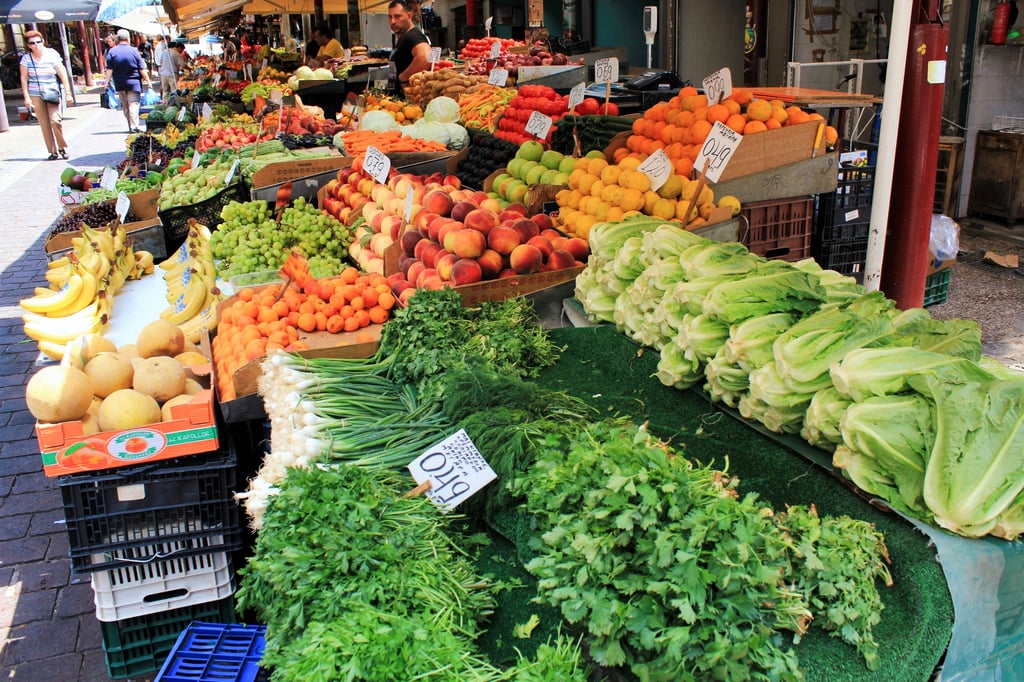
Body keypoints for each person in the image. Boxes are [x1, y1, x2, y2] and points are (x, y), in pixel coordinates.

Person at [19, 30, 74, 160]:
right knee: (44, 123)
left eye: (38, 41)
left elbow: (62, 73)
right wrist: (26, 97)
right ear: (28, 45)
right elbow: (24, 78)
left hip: (52, 92)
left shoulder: (52, 54)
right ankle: (52, 151)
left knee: (55, 120)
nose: (36, 45)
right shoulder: (26, 59)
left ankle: (62, 147)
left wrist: (68, 93)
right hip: (35, 93)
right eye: (32, 43)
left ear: (43, 41)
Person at [105, 29, 152, 133]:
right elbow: (141, 68)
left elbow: (109, 69)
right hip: (134, 83)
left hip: (120, 83)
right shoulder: (134, 51)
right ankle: (134, 126)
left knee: (125, 105)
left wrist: (106, 82)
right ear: (128, 39)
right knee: (133, 104)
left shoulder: (112, 52)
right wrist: (148, 81)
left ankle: (130, 124)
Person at [388, 0, 430, 97]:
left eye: (397, 16)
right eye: (390, 17)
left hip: (410, 103)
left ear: (409, 16)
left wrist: (403, 77)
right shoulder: (404, 37)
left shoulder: (414, 36)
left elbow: (426, 57)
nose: (392, 21)